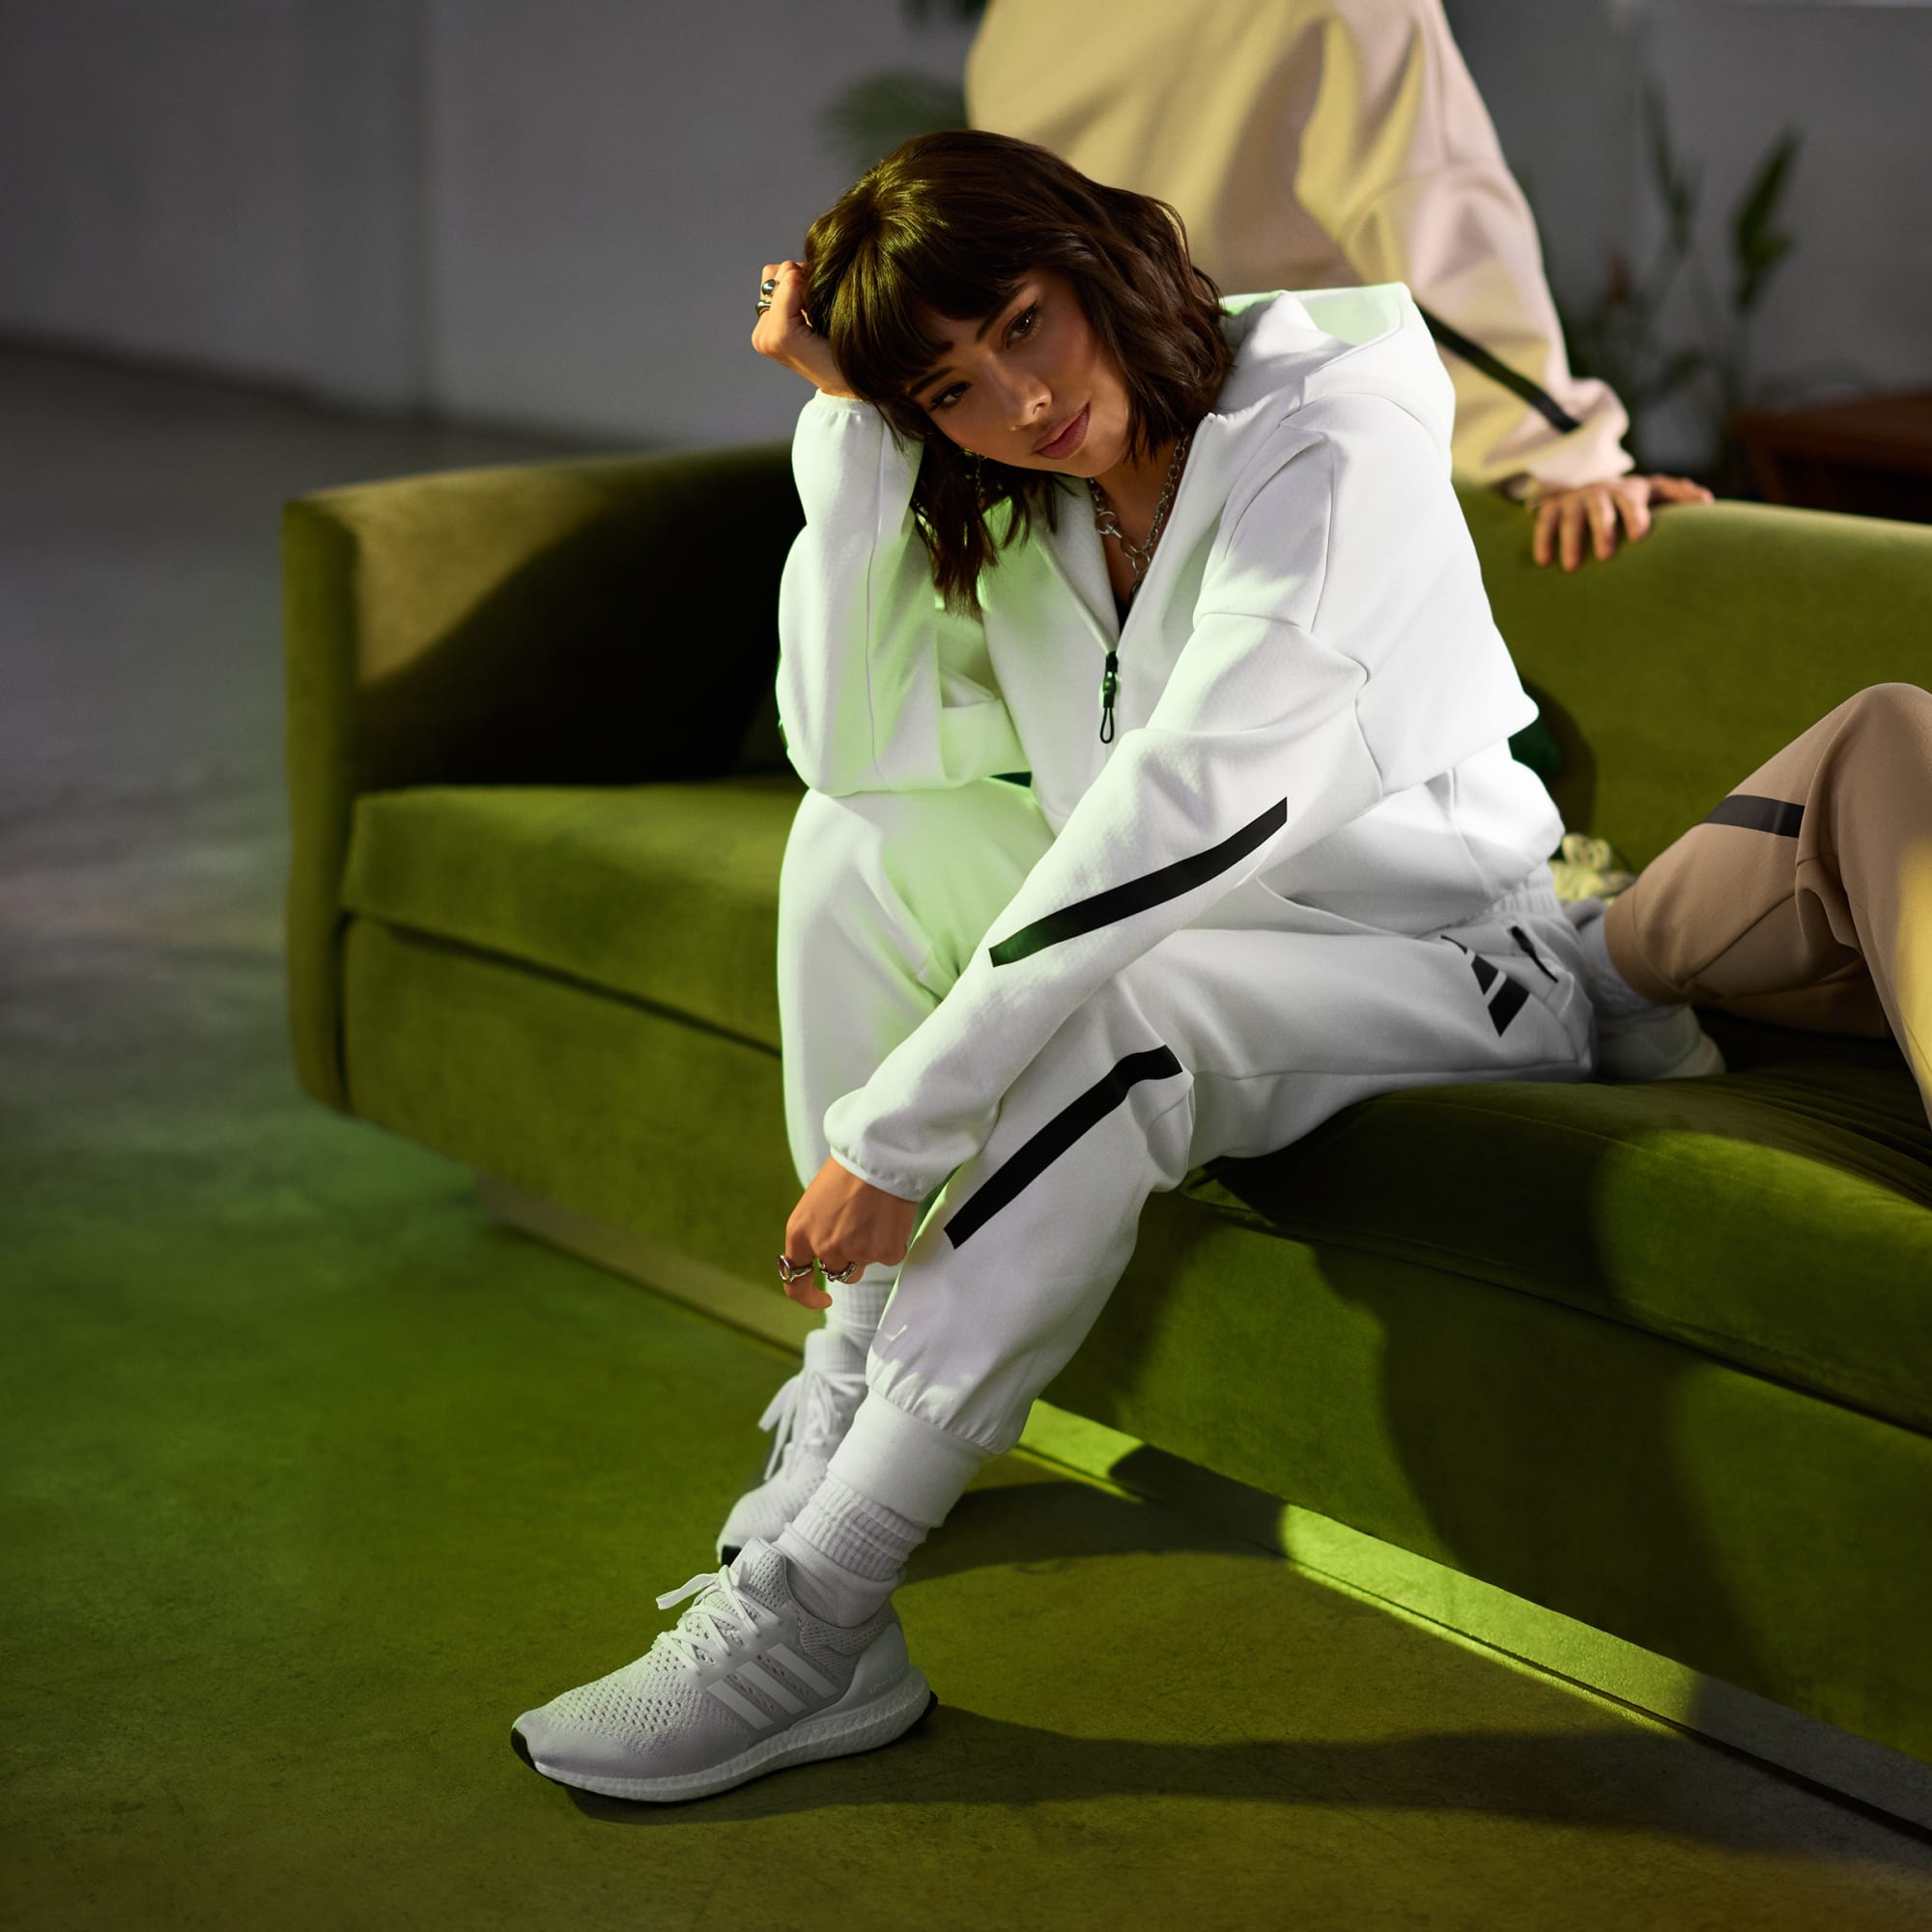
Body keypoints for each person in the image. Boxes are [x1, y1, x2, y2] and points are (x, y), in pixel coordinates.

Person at [511, 128, 1605, 1803]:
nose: (1021, 402)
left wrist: (896, 1140)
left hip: (1447, 960)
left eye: (1024, 322)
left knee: (1129, 1018)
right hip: (1211, 934)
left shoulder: (1327, 438)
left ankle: (815, 1615)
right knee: (859, 856)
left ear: (1097, 261)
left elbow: (1184, 815)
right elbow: (854, 750)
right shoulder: (1026, 485)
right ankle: (849, 1380)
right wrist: (854, 428)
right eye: (950, 385)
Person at [964, 0, 1715, 573]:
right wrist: (1558, 455)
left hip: (1100, 528)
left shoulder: (1012, 30)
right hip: (1316, 487)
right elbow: (1428, 213)